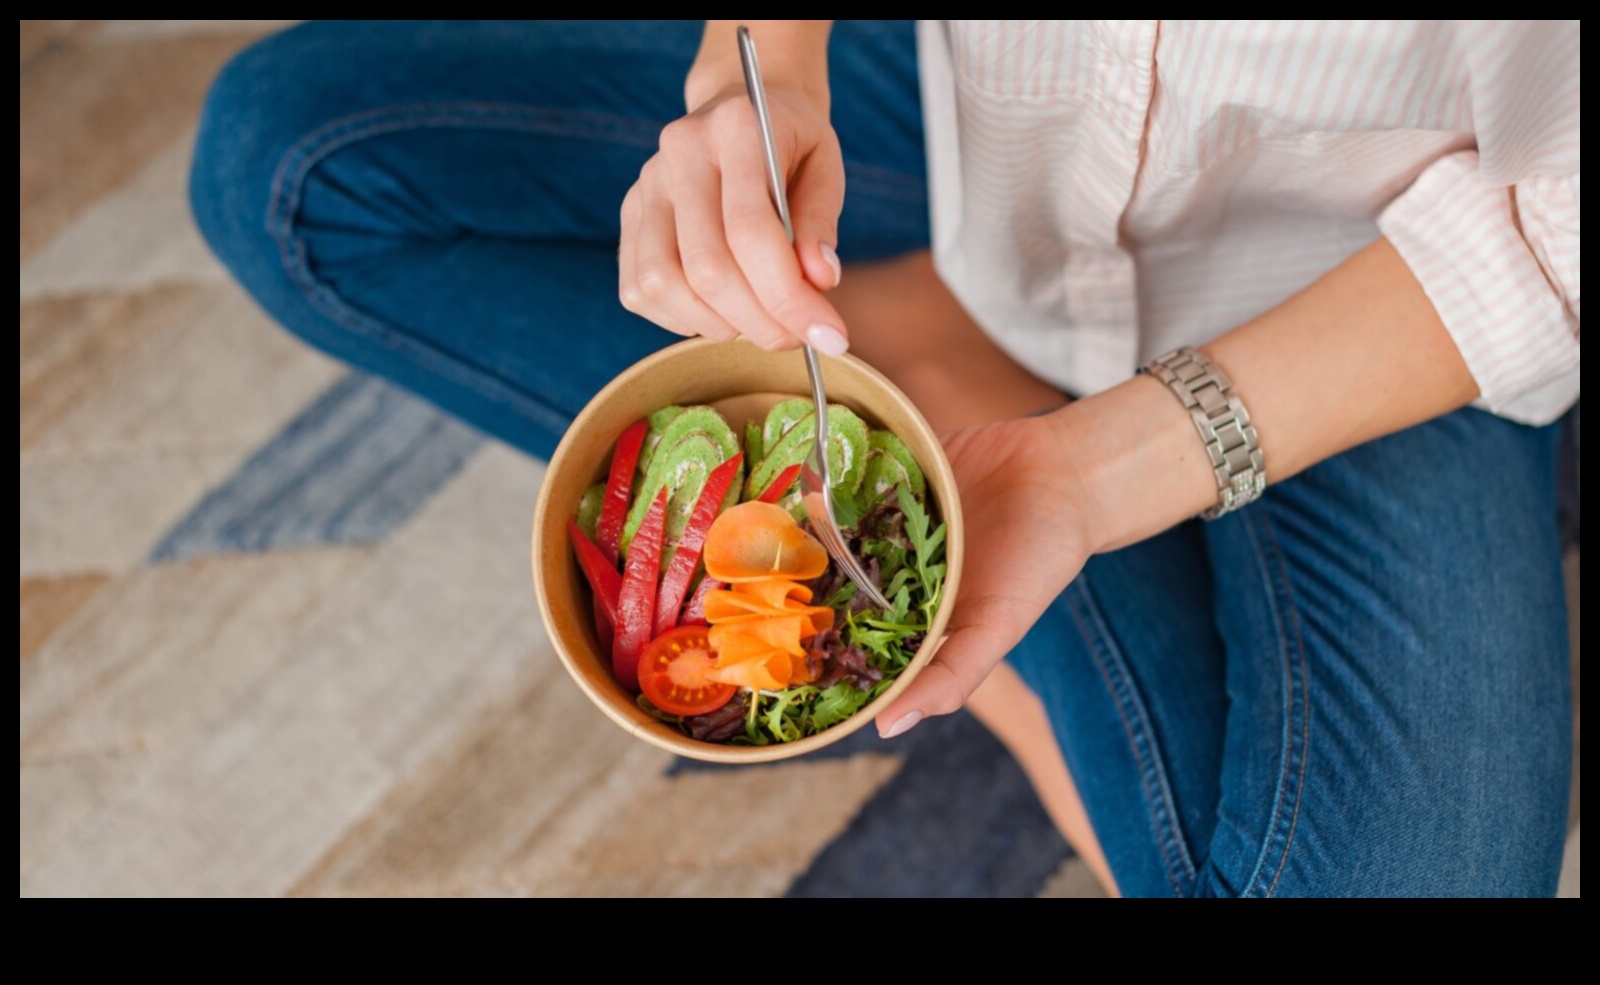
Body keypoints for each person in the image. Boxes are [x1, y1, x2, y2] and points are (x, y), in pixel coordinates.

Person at [191, 20, 1579, 897]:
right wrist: (761, 73)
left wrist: (1101, 473)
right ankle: (972, 494)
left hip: (1372, 284)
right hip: (982, 127)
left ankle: (993, 521)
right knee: (292, 160)